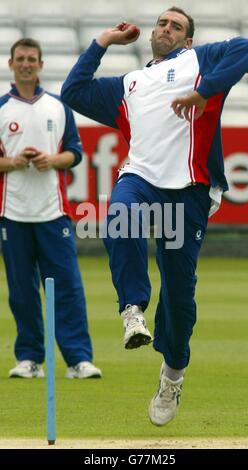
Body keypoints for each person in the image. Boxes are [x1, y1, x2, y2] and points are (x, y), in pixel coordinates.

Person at [61, 7, 248, 424]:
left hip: (188, 190)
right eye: (163, 23)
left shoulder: (200, 61)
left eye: (177, 26)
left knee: (180, 296)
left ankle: (172, 374)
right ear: (152, 33)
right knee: (119, 216)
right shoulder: (128, 84)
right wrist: (103, 42)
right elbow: (74, 92)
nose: (167, 29)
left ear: (188, 39)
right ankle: (132, 308)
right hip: (141, 178)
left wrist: (206, 93)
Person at [0, 38, 102, 380]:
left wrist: (50, 160)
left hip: (53, 212)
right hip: (12, 213)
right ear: (11, 64)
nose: (26, 64)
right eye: (20, 59)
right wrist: (12, 162)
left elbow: (75, 152)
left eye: (32, 59)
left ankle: (78, 359)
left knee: (67, 286)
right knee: (22, 290)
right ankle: (29, 358)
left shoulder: (57, 107)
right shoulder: (2, 108)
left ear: (41, 65)